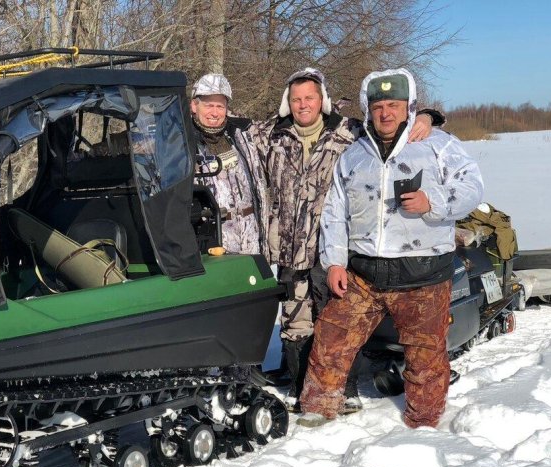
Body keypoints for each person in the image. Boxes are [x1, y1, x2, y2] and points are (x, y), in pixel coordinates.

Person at [297, 68, 484, 428]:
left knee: (425, 355)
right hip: (364, 272)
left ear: (409, 107)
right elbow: (336, 212)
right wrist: (335, 261)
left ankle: (424, 423)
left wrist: (434, 202)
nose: (385, 113)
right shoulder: (355, 155)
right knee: (332, 336)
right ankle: (317, 409)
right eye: (378, 105)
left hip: (422, 274)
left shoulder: (436, 144)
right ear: (368, 110)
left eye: (393, 105)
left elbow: (472, 188)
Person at [252, 68, 443, 410]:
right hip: (289, 247)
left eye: (309, 97)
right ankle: (302, 390)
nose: (303, 105)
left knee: (336, 322)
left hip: (334, 245)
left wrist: (427, 117)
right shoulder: (271, 134)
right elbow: (226, 128)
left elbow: (390, 124)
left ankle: (347, 391)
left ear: (322, 99)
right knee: (295, 322)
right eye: (296, 99)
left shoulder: (348, 130)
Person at [190, 74, 270, 255]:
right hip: (214, 237)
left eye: (220, 106)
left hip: (251, 235)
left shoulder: (240, 136)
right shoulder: (184, 142)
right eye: (209, 105)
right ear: (194, 106)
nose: (215, 112)